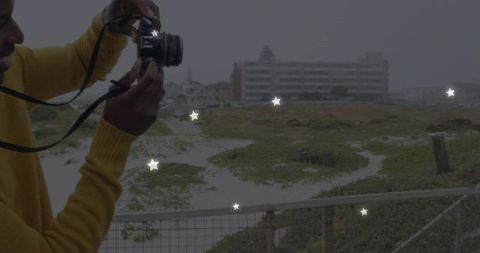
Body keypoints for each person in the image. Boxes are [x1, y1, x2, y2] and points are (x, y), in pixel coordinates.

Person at [0, 0, 165, 252]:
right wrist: (116, 136)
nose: (18, 35)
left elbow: (80, 62)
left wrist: (110, 24)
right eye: (1, 22)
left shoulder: (10, 70)